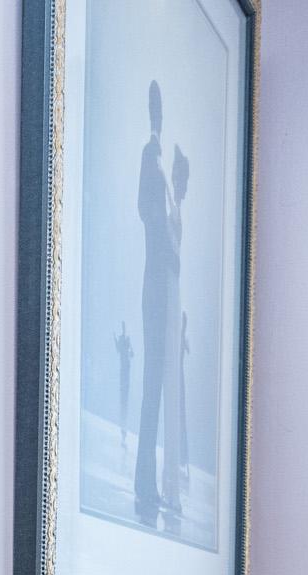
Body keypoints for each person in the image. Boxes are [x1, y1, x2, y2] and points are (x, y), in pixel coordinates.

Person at [133, 80, 177, 528]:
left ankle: (151, 484)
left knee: (157, 386)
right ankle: (144, 485)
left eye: (161, 107)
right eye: (155, 106)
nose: (158, 113)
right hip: (154, 281)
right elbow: (143, 209)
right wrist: (164, 230)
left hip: (163, 283)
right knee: (149, 388)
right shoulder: (150, 154)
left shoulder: (160, 156)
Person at [161, 149, 192, 525]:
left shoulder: (175, 209)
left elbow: (175, 256)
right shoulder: (172, 205)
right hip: (170, 297)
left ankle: (172, 488)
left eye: (181, 178)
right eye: (178, 177)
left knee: (173, 402)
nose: (179, 183)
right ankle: (169, 487)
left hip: (173, 298)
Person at [114, 323, 135, 450]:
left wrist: (128, 349)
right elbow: (120, 351)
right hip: (124, 372)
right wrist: (115, 339)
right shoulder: (123, 340)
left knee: (124, 400)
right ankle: (123, 430)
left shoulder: (126, 340)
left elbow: (132, 354)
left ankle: (124, 430)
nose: (124, 328)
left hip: (126, 371)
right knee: (124, 400)